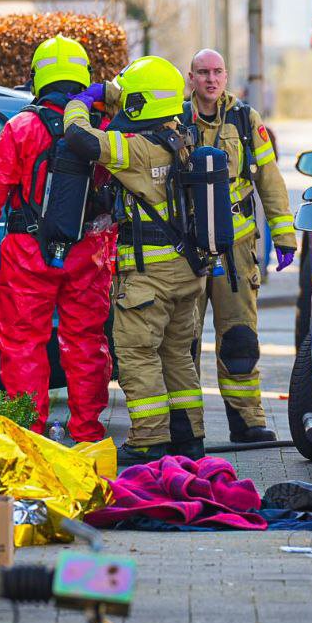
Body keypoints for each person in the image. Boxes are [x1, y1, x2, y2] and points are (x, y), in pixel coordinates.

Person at [0, 35, 116, 443]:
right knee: (86, 343)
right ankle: (87, 434)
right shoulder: (102, 130)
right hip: (89, 253)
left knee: (23, 343)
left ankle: (30, 434)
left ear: (38, 78)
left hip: (28, 253)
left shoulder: (23, 128)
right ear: (82, 76)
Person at [62, 56, 208, 465]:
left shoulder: (136, 150)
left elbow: (79, 137)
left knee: (139, 358)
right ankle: (190, 439)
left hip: (148, 281)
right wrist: (116, 95)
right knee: (178, 356)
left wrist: (81, 100)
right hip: (187, 273)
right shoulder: (185, 137)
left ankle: (148, 441)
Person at [181, 49, 297, 443]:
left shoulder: (246, 121)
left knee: (240, 339)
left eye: (217, 72)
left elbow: (270, 180)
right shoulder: (176, 120)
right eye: (203, 73)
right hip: (188, 252)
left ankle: (247, 423)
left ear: (226, 76)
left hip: (236, 250)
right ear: (191, 77)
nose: (211, 80)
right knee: (184, 340)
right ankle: (187, 428)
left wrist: (284, 234)